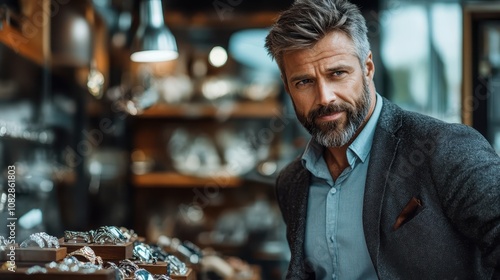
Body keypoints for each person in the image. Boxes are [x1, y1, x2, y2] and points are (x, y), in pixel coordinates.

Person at [264, 0, 500, 279]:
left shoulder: (444, 148)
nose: (325, 97)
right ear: (287, 86)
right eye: (304, 82)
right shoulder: (291, 183)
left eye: (337, 73)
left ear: (368, 68)